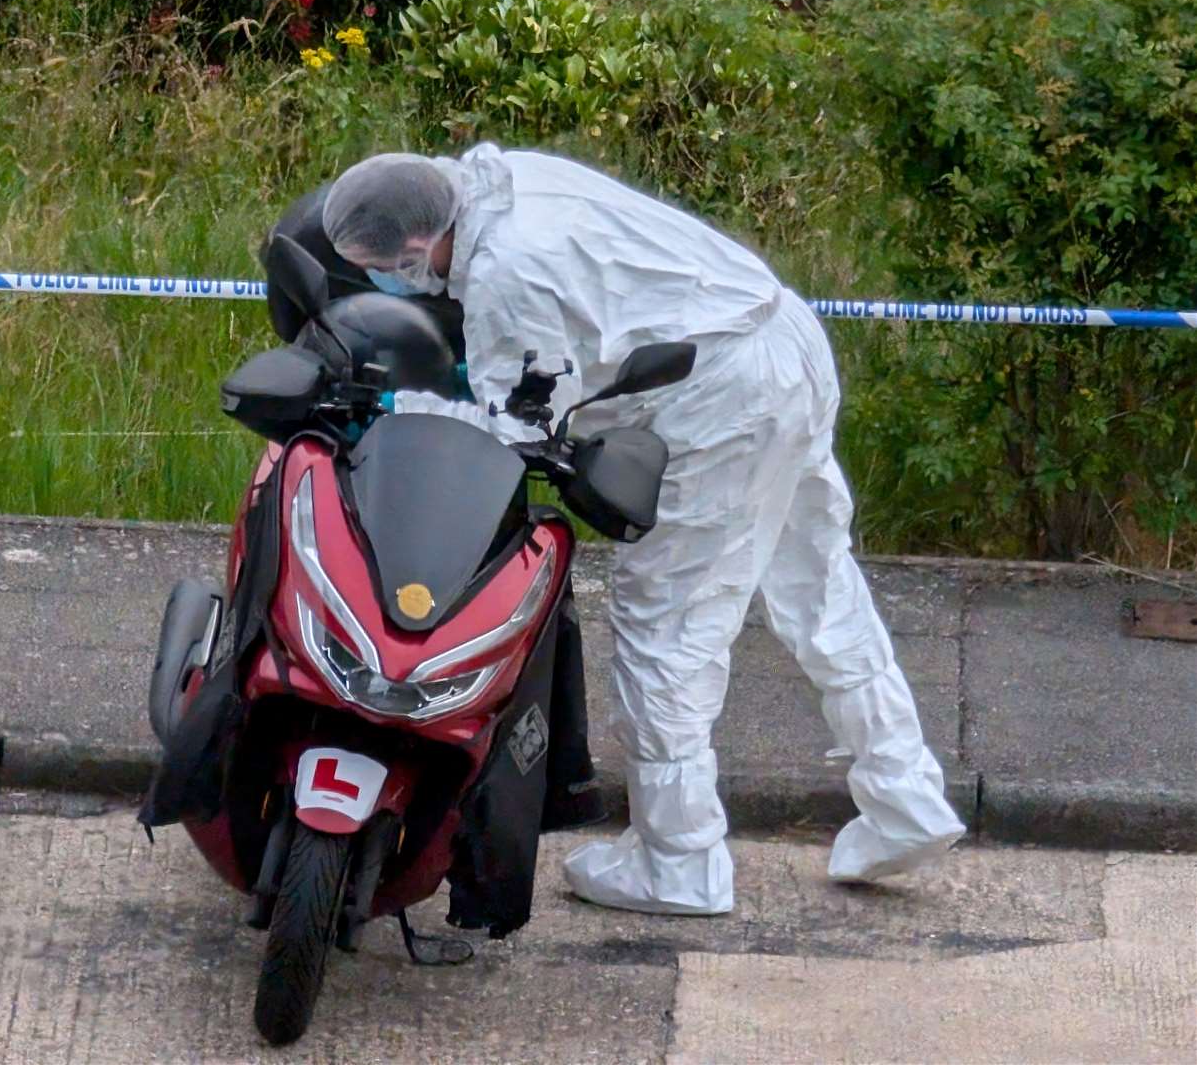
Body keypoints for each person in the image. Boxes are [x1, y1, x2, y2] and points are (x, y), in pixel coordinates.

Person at [319, 144, 965, 915]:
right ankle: (906, 800)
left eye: (388, 266)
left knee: (664, 629)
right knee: (819, 584)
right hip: (781, 336)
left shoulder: (503, 276)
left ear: (419, 250)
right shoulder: (507, 176)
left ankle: (679, 861)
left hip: (720, 400)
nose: (392, 280)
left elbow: (512, 425)